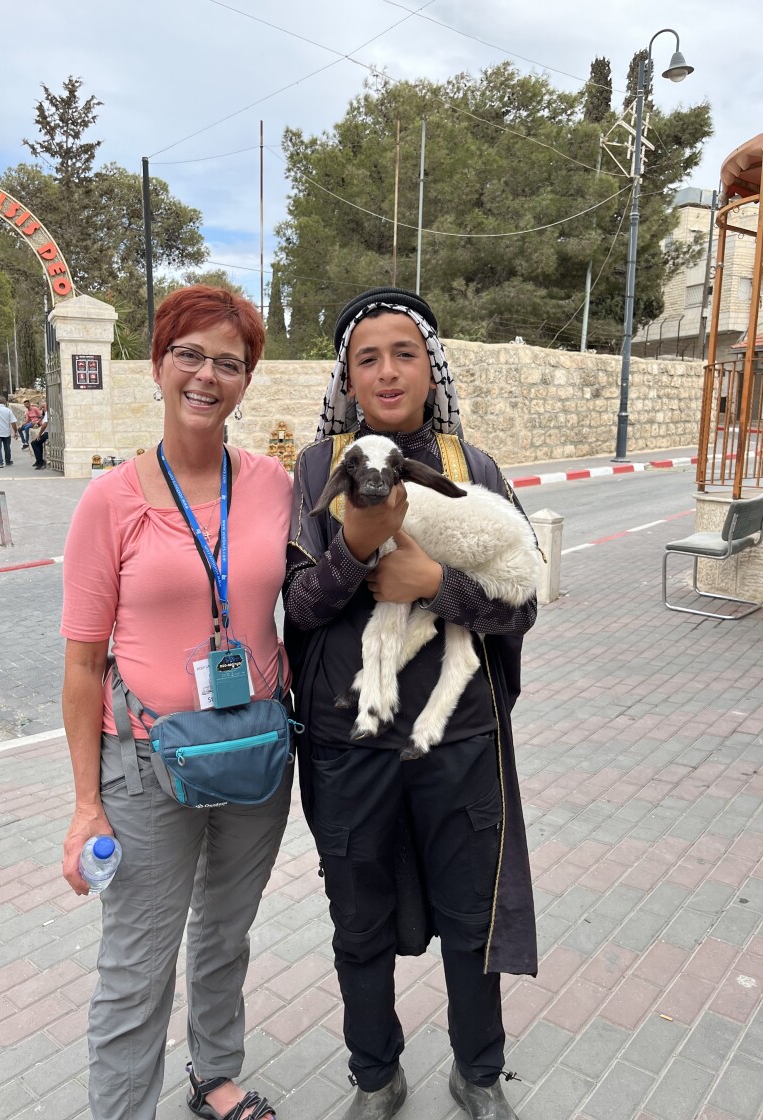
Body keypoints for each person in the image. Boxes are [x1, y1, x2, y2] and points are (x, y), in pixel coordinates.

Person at [284, 288, 537, 1120]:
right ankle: (374, 1074)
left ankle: (480, 1072)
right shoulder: (319, 473)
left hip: (459, 739)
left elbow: (522, 604)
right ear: (348, 381)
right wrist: (355, 554)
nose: (388, 372)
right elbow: (301, 608)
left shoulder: (475, 471)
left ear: (431, 367)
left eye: (405, 353)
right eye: (368, 358)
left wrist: (441, 585)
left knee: (473, 917)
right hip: (347, 743)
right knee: (356, 920)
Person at [60, 285, 293, 1120]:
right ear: (159, 366)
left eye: (228, 362)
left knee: (225, 933)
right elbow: (83, 666)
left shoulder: (273, 485)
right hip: (145, 766)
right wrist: (87, 805)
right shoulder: (110, 501)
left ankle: (215, 1074)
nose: (206, 375)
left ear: (246, 380)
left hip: (258, 753)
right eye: (189, 354)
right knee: (138, 962)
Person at [31, 401, 49, 469]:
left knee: (34, 443)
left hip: (49, 433)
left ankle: (40, 461)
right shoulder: (47, 413)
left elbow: (44, 425)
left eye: (43, 407)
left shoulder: (48, 413)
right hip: (47, 432)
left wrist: (39, 434)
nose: (43, 409)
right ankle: (39, 461)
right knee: (38, 443)